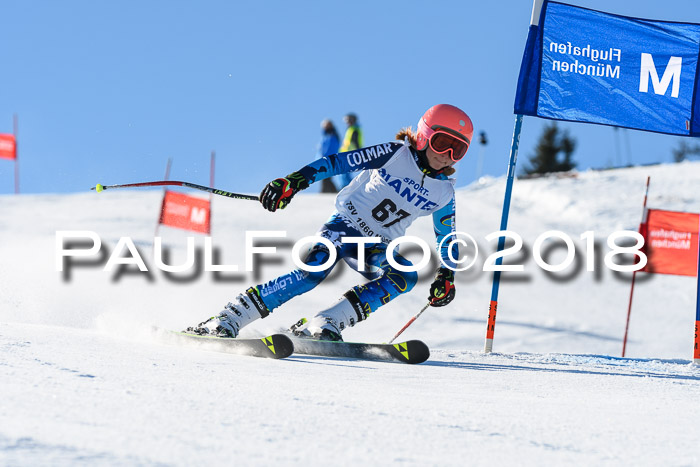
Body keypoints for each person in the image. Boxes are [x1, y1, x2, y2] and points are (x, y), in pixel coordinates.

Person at [188, 104, 473, 341]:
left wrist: (447, 275)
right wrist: (294, 181)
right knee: (313, 271)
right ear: (424, 136)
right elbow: (337, 162)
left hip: (375, 245)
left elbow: (447, 237)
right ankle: (230, 317)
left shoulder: (444, 192)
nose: (446, 155)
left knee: (404, 276)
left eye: (457, 150)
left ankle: (327, 322)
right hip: (345, 225)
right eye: (442, 143)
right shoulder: (395, 153)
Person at [334, 113, 364, 190]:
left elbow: (356, 142)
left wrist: (358, 152)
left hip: (350, 154)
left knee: (344, 172)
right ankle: (347, 187)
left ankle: (348, 188)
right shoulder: (350, 129)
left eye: (348, 120)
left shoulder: (354, 129)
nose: (347, 122)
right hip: (346, 153)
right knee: (344, 172)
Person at [317, 119, 341, 193]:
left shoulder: (332, 136)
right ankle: (330, 192)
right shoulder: (325, 136)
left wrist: (326, 158)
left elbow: (331, 149)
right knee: (325, 177)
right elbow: (321, 150)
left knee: (325, 177)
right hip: (323, 160)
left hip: (328, 160)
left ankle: (326, 193)